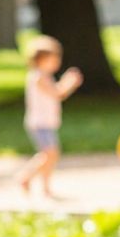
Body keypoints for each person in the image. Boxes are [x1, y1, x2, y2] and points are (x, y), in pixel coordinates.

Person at [17, 35, 83, 198]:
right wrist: (69, 82)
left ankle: (44, 186)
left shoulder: (44, 77)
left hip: (47, 122)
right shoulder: (38, 77)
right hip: (40, 124)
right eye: (53, 59)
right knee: (50, 154)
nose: (56, 63)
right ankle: (26, 177)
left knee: (50, 156)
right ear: (40, 59)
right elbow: (57, 93)